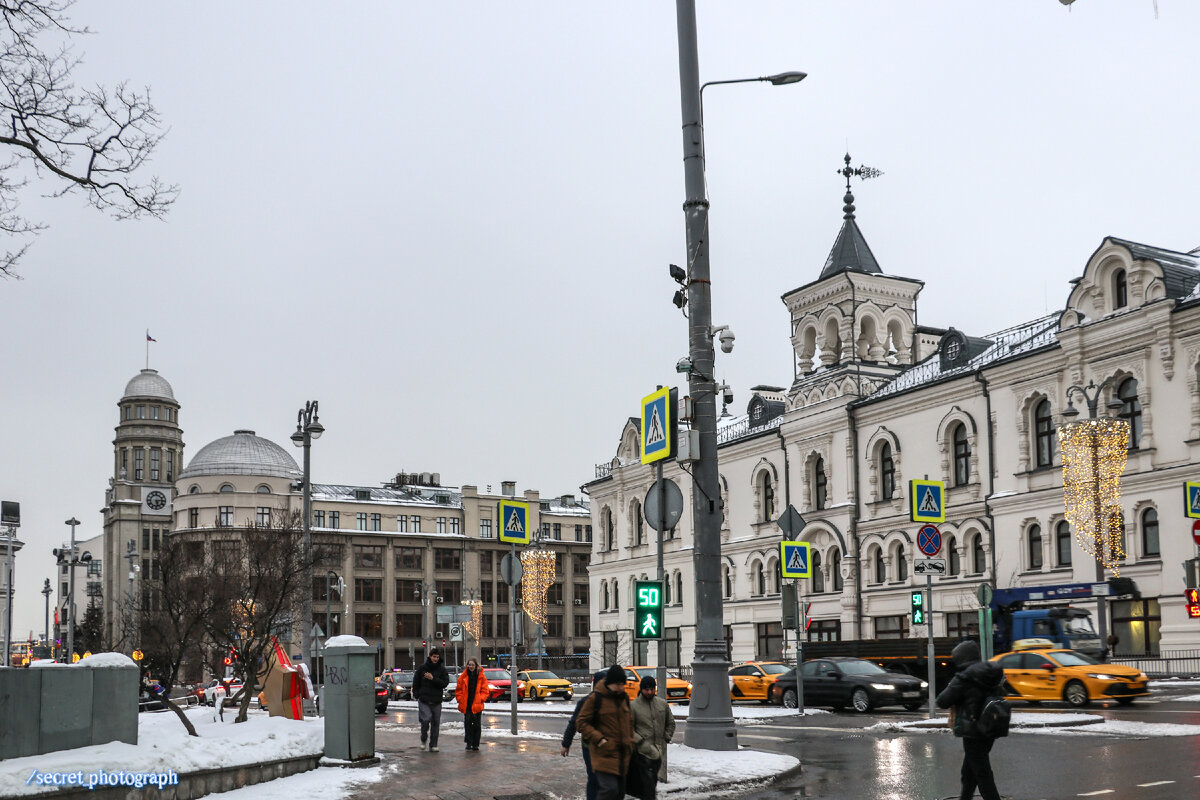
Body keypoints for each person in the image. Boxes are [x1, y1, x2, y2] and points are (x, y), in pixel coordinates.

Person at [936, 640, 1005, 800]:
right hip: (990, 728)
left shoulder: (964, 677)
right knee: (969, 772)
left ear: (962, 658)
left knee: (982, 773)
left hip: (972, 730)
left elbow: (942, 701)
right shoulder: (990, 672)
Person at [575, 665, 635, 800]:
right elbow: (581, 723)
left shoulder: (624, 698)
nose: (621, 688)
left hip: (622, 754)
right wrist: (599, 739)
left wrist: (631, 740)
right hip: (603, 754)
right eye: (618, 684)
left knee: (619, 793)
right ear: (609, 683)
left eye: (623, 684)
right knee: (609, 789)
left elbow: (629, 722)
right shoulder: (596, 699)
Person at [561, 671, 607, 800]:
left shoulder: (611, 701)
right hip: (590, 746)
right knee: (594, 778)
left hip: (607, 746)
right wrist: (566, 744)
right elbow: (574, 723)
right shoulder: (586, 701)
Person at [629, 675, 675, 800]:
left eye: (652, 689)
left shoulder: (662, 704)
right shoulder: (633, 706)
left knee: (652, 783)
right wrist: (640, 741)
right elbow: (628, 728)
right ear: (641, 689)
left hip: (659, 753)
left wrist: (666, 737)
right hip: (642, 753)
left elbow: (670, 723)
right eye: (646, 689)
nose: (649, 692)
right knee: (648, 786)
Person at [412, 648, 450, 752]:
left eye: (437, 657)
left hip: (436, 700)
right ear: (430, 656)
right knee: (425, 719)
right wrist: (416, 694)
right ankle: (423, 738)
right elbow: (416, 682)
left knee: (435, 723)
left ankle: (433, 745)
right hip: (424, 699)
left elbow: (444, 683)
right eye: (434, 657)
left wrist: (433, 678)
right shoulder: (422, 668)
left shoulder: (442, 670)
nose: (436, 659)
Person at [456, 658, 490, 751]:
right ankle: (469, 743)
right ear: (467, 665)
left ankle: (475, 744)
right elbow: (458, 690)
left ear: (476, 666)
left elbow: (485, 691)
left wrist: (480, 699)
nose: (471, 666)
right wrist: (460, 699)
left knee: (477, 725)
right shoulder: (462, 677)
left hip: (477, 704)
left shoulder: (481, 677)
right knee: (467, 723)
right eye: (469, 665)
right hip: (466, 704)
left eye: (472, 665)